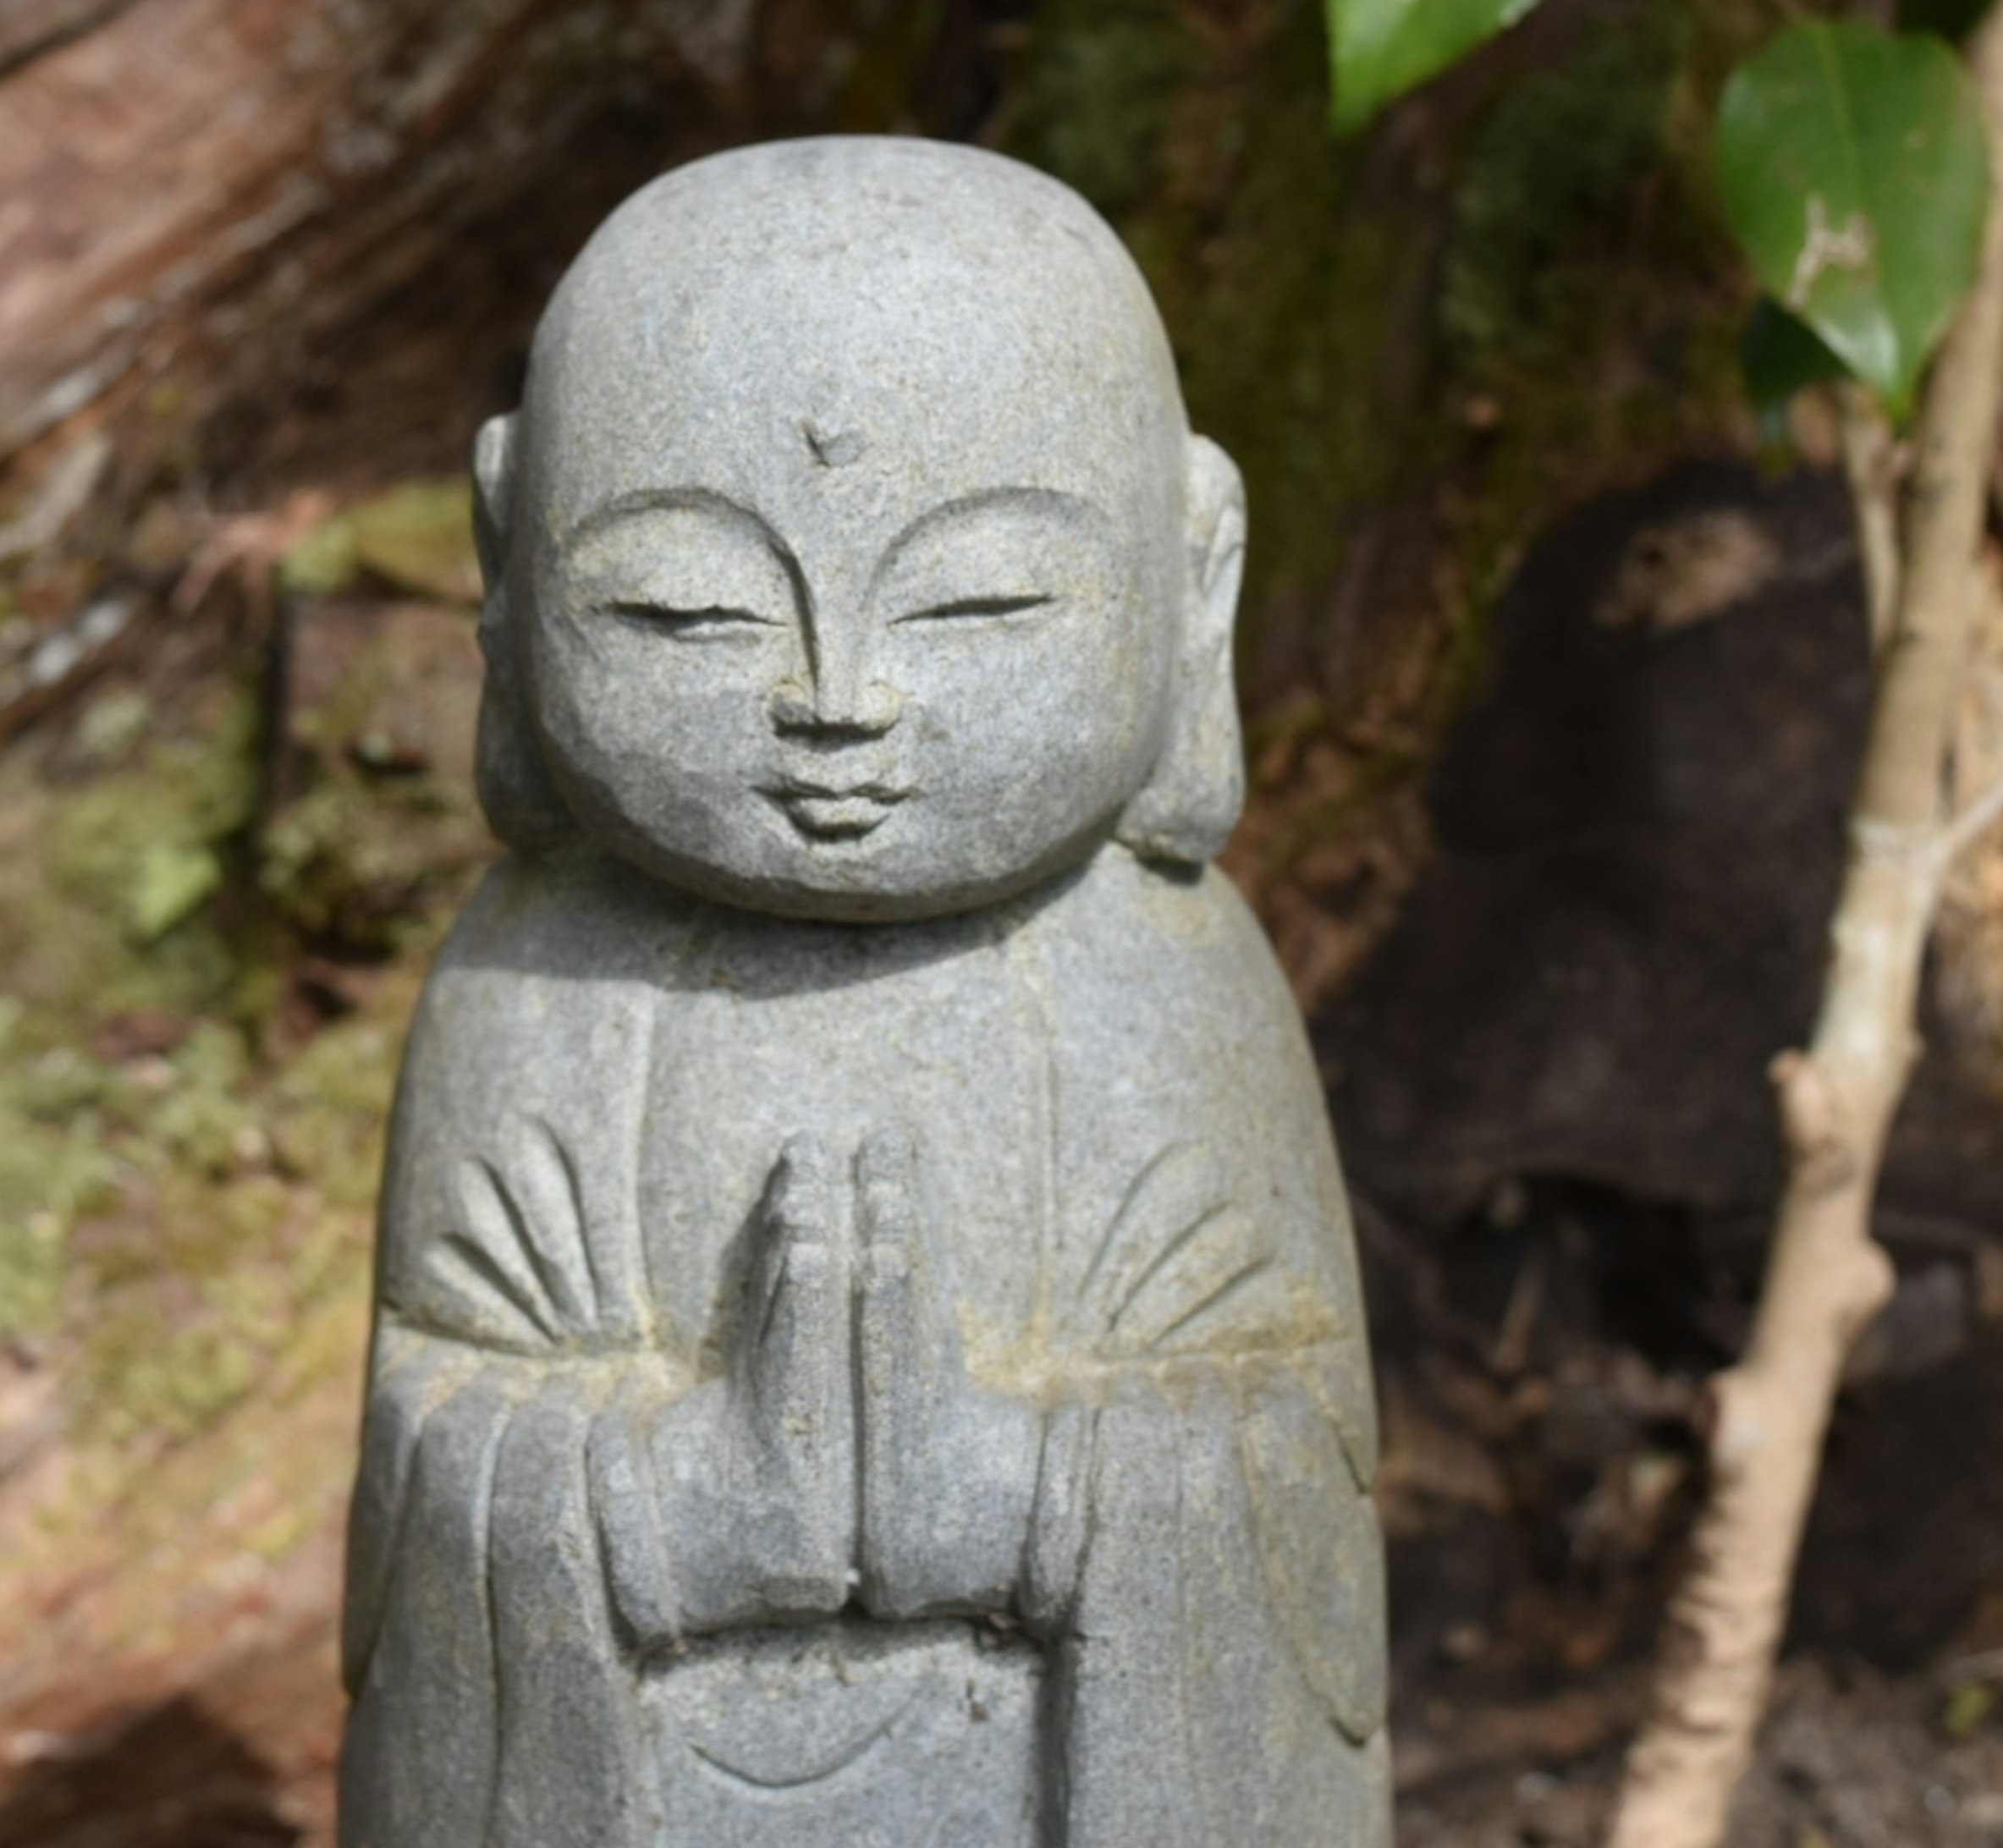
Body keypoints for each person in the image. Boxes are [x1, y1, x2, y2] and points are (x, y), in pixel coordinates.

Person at [338, 138, 1387, 1847]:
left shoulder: (1168, 995)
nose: (840, 696)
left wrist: (1021, 1496)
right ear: (508, 566)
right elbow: (441, 1471)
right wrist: (676, 1510)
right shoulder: (530, 990)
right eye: (687, 605)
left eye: (981, 598)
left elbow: (1280, 1483)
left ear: (1194, 576)